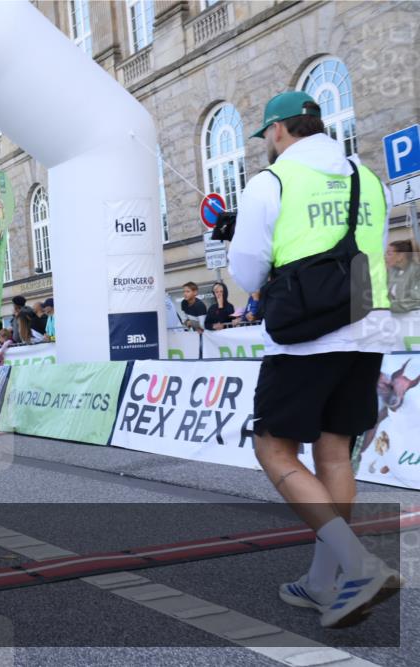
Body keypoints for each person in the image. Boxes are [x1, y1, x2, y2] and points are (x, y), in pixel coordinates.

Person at [229, 90, 400, 628]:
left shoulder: (271, 181)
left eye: (267, 138)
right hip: (367, 327)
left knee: (273, 448)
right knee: (335, 453)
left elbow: (247, 272)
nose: (268, 146)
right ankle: (325, 582)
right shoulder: (367, 177)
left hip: (307, 333)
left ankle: (357, 564)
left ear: (278, 131)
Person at [386, 240, 420, 313]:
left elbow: (416, 300)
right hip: (398, 321)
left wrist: (387, 307)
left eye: (389, 254)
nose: (385, 257)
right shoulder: (392, 272)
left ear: (401, 256)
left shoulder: (417, 272)